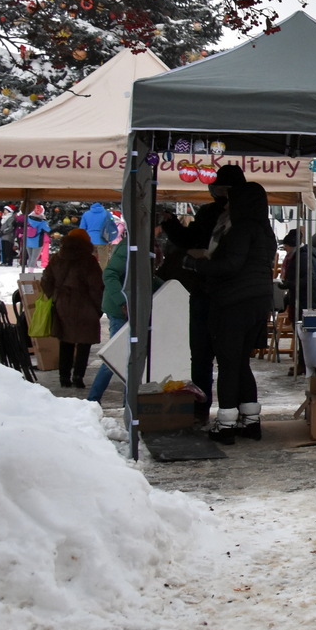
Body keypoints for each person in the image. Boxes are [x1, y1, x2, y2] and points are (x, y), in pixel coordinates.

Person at [184, 181, 276, 443]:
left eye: (231, 200)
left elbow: (230, 265)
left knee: (227, 363)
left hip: (234, 302)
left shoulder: (241, 228)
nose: (226, 205)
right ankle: (250, 421)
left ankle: (225, 425)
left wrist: (194, 264)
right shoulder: (265, 230)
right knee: (241, 362)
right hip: (259, 300)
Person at [160, 163, 245, 418]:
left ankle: (202, 411)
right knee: (230, 359)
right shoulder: (248, 216)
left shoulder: (218, 214)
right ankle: (234, 410)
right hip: (230, 294)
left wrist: (172, 226)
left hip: (209, 290)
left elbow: (188, 241)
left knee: (202, 356)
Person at [87, 233, 163, 402]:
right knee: (117, 356)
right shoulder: (130, 247)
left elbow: (145, 275)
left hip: (131, 308)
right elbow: (110, 274)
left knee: (128, 356)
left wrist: (166, 287)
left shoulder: (144, 245)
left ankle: (126, 401)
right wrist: (122, 302)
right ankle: (93, 400)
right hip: (121, 310)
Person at [41, 229, 104, 389]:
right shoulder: (89, 261)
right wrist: (98, 307)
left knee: (66, 340)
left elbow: (46, 280)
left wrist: (55, 296)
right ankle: (78, 376)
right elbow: (96, 286)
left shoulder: (57, 258)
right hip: (85, 305)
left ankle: (64, 377)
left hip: (63, 303)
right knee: (84, 341)